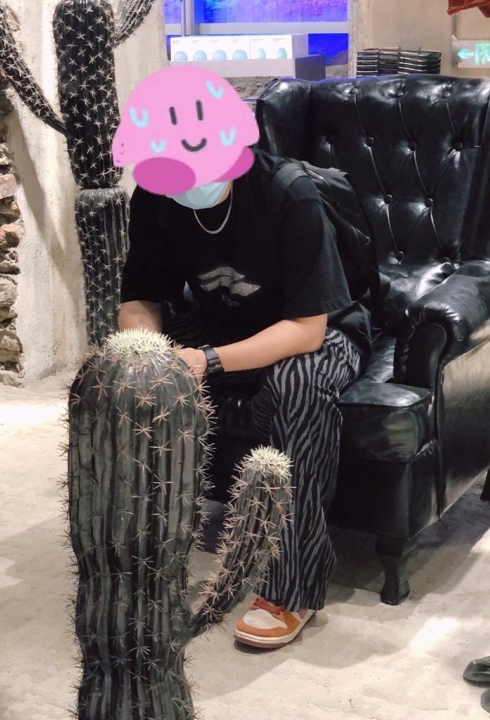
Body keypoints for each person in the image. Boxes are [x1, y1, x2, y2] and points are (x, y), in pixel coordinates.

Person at [119, 147, 373, 650]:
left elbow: (307, 329)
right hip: (220, 325)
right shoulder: (155, 193)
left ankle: (289, 591)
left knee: (297, 385)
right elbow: (140, 299)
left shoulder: (288, 192)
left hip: (317, 331)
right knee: (125, 374)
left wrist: (208, 361)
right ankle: (144, 558)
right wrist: (146, 355)